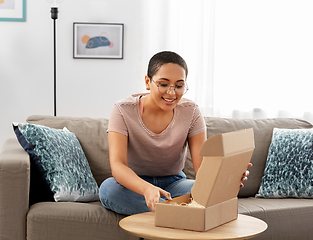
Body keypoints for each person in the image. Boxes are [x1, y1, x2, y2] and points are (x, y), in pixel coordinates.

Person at [99, 51, 251, 215]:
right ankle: (180, 215)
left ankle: (166, 216)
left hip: (175, 184)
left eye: (179, 86)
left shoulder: (191, 111)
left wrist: (227, 177)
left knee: (212, 193)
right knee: (109, 189)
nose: (172, 93)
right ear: (147, 82)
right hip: (136, 185)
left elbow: (202, 169)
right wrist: (147, 189)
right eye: (163, 84)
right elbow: (118, 166)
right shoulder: (122, 110)